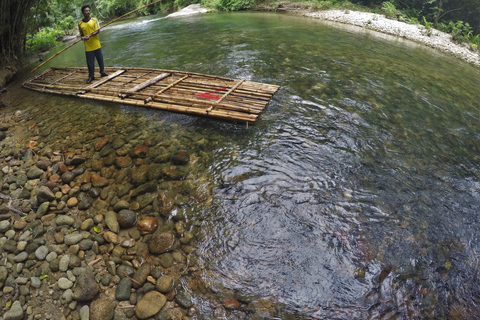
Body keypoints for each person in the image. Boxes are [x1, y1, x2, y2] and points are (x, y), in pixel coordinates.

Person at [78, 5, 108, 83]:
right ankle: (91, 76)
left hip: (96, 44)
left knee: (100, 60)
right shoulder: (80, 24)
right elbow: (81, 35)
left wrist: (90, 35)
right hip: (88, 47)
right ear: (83, 12)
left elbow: (98, 30)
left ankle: (102, 72)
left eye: (89, 10)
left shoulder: (94, 20)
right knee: (90, 63)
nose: (88, 12)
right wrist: (83, 38)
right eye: (86, 11)